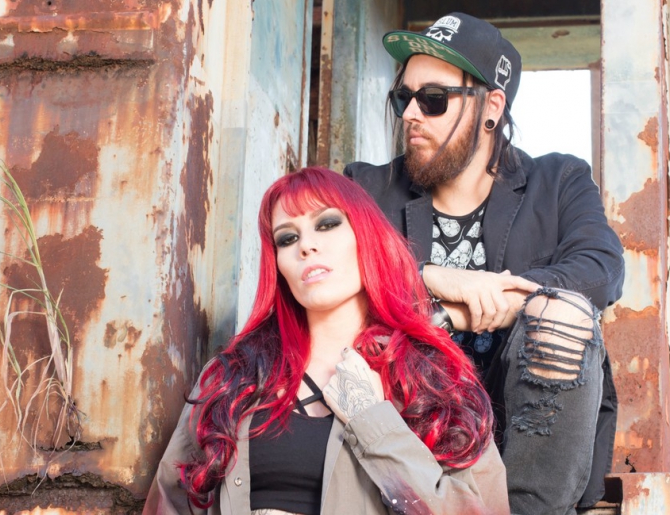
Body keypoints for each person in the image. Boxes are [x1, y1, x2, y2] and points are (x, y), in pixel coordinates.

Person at [344, 12, 625, 515]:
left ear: (491, 107)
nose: (411, 114)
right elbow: (330, 280)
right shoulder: (366, 189)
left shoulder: (558, 182)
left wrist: (484, 304)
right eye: (403, 98)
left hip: (519, 435)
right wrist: (429, 279)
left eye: (433, 99)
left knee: (561, 312)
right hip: (403, 424)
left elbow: (601, 268)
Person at [144, 167, 509, 514]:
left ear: (366, 235)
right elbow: (171, 501)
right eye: (287, 238)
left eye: (327, 224)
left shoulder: (433, 378)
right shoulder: (233, 377)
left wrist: (374, 423)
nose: (306, 246)